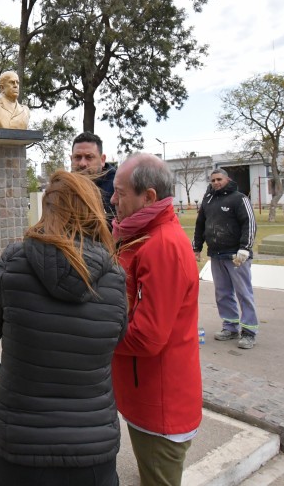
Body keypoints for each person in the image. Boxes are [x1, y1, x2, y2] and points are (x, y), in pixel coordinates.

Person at [0, 170, 127, 486]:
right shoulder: (114, 276)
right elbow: (116, 337)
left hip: (21, 445)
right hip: (92, 449)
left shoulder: (14, 261)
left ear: (48, 209)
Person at [109, 153, 202, 486]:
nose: (112, 199)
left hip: (160, 402)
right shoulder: (143, 234)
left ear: (148, 197)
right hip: (145, 393)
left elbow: (147, 337)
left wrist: (95, 336)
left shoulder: (160, 246)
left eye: (120, 192)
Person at [193, 168, 258, 350]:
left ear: (227, 179)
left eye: (219, 179)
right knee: (222, 293)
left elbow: (249, 223)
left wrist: (245, 248)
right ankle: (230, 327)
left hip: (237, 256)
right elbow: (200, 225)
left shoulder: (239, 199)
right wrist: (196, 247)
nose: (216, 183)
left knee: (243, 293)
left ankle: (249, 332)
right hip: (216, 255)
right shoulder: (208, 200)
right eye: (213, 180)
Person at [71, 132, 116, 226]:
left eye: (89, 157)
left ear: (102, 160)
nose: (82, 163)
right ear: (71, 159)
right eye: (77, 157)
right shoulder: (64, 187)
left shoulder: (118, 187)